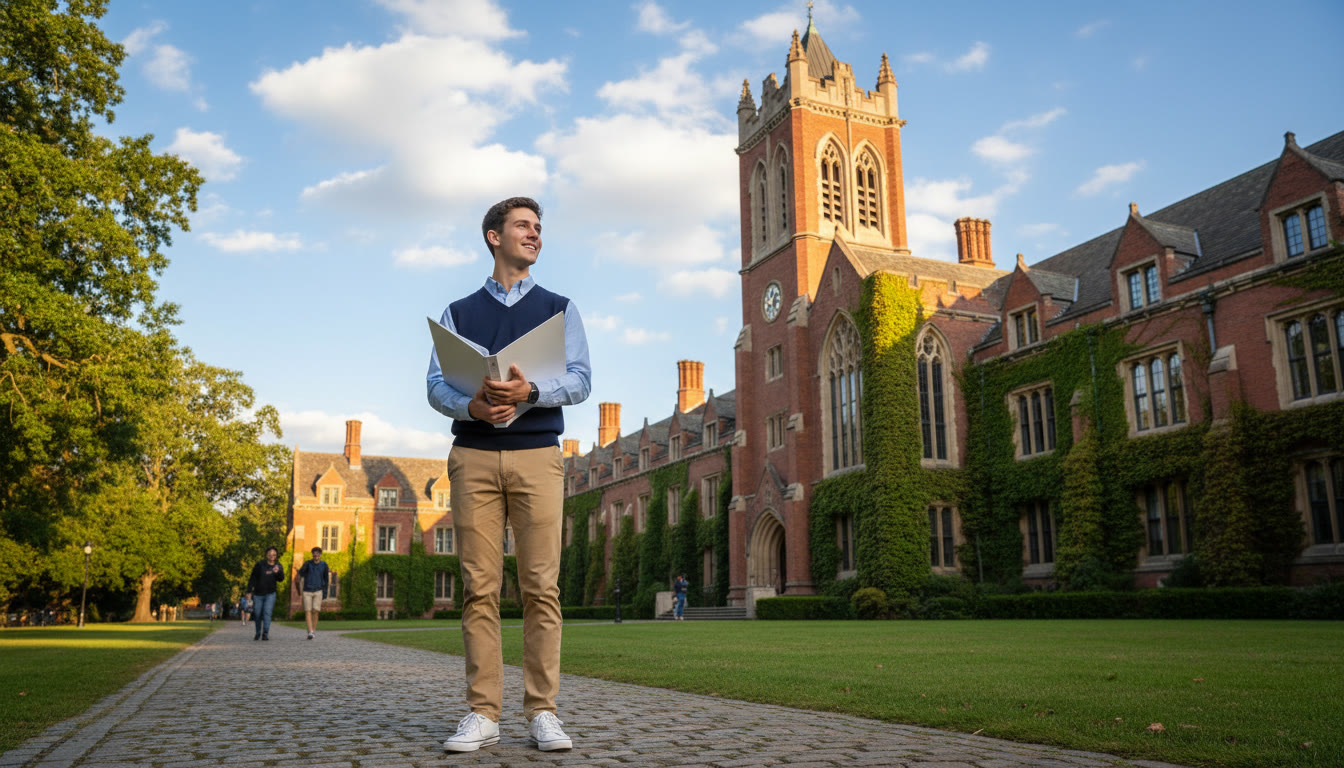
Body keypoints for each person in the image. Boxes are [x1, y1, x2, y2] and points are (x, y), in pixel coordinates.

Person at [427, 197, 591, 753]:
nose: (535, 234)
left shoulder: (560, 308)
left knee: (542, 587)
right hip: (472, 455)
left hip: (538, 455)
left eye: (539, 228)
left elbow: (581, 378)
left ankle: (543, 711)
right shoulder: (458, 311)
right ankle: (482, 713)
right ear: (494, 237)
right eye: (524, 226)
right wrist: (472, 406)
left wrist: (532, 391)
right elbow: (435, 386)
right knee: (480, 588)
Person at [245, 546, 285, 641]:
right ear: (267, 555)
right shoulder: (260, 565)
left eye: (274, 554)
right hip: (258, 594)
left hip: (270, 594)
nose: (272, 556)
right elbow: (253, 578)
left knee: (267, 612)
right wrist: (249, 591)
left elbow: (281, 579)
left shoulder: (278, 566)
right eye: (270, 554)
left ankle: (265, 633)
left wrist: (277, 572)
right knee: (258, 614)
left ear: (276, 555)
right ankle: (258, 632)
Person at [296, 546, 330, 639]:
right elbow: (301, 574)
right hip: (307, 590)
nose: (316, 557)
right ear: (312, 555)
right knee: (308, 611)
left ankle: (313, 630)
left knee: (315, 611)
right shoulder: (308, 564)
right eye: (314, 555)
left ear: (320, 555)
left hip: (318, 591)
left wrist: (325, 592)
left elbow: (326, 580)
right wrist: (300, 570)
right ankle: (310, 631)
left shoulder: (324, 565)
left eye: (318, 555)